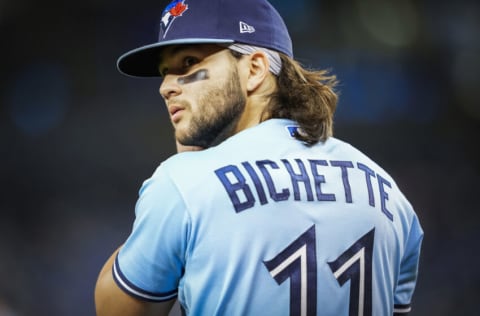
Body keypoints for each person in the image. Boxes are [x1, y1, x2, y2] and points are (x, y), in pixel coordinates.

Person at [94, 0, 424, 315]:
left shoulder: (184, 184)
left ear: (254, 69)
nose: (165, 86)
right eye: (166, 71)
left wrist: (183, 177)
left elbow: (115, 310)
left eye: (190, 63)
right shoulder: (391, 196)